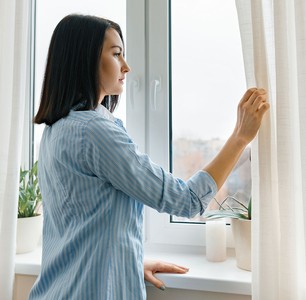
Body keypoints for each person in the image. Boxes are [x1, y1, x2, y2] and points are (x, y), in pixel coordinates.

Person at [29, 14, 269, 300]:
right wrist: (240, 136)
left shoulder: (56, 129)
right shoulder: (94, 132)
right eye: (116, 54)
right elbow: (186, 200)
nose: (126, 67)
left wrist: (126, 262)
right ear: (84, 59)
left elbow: (80, 223)